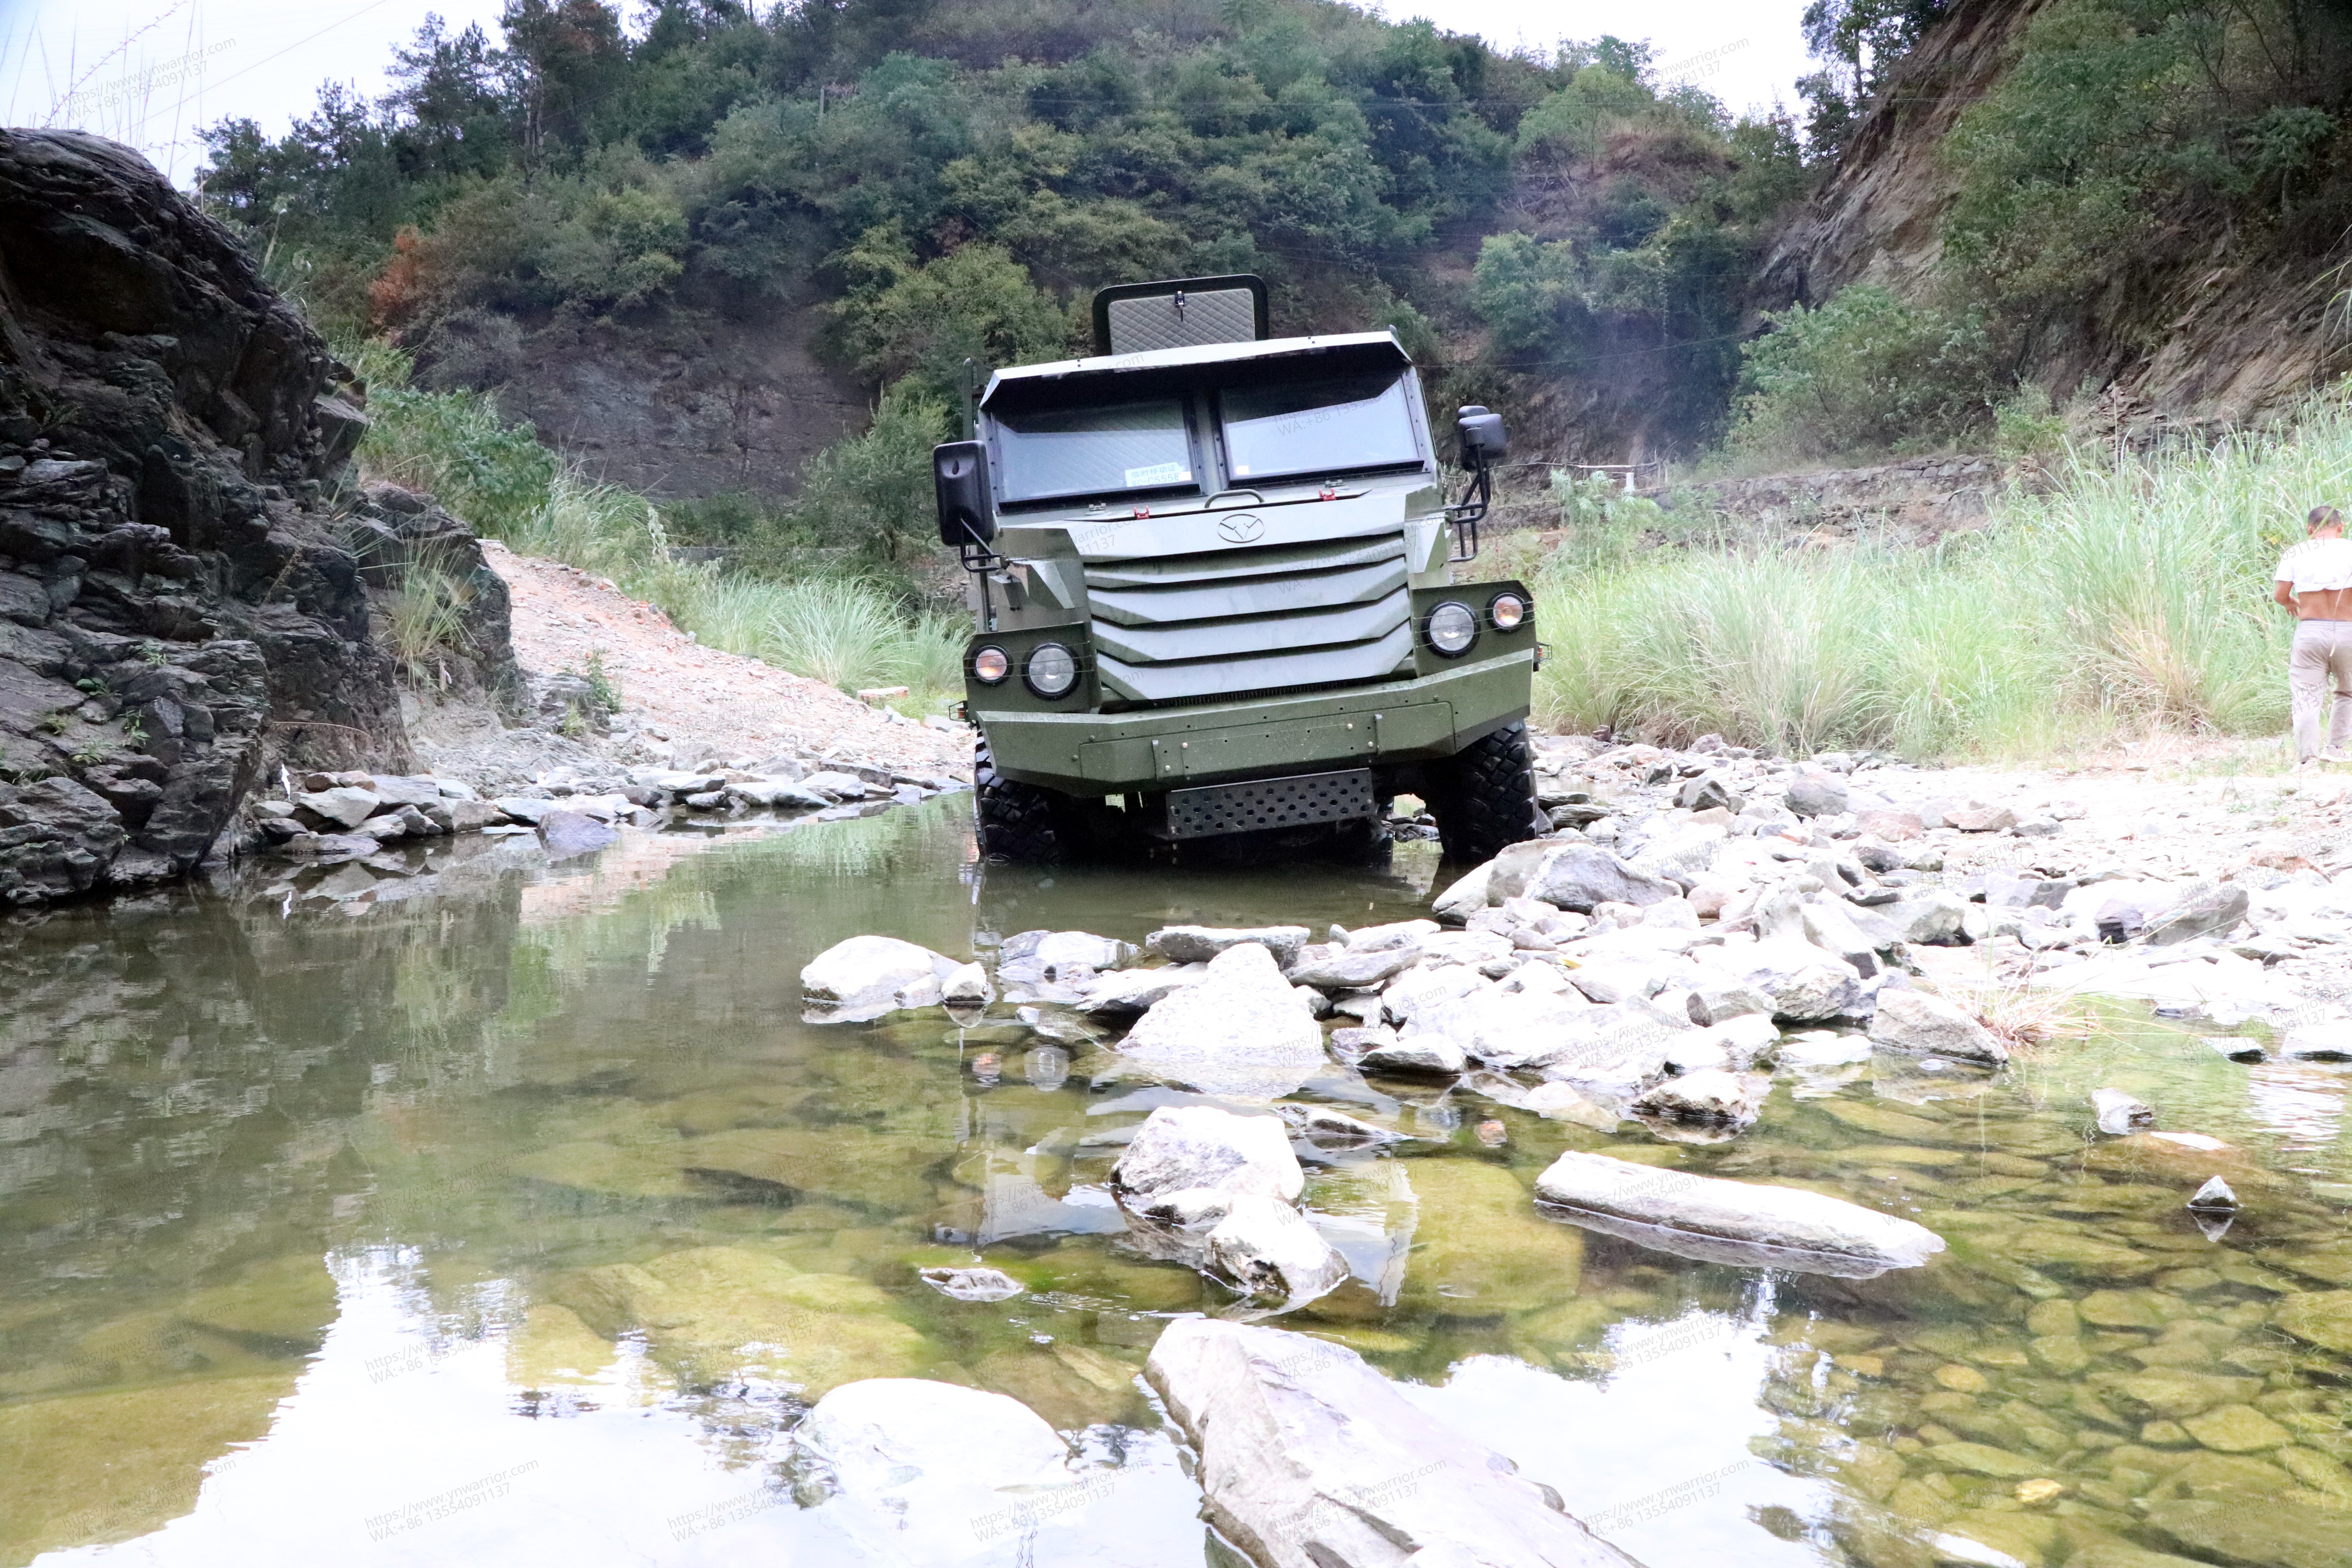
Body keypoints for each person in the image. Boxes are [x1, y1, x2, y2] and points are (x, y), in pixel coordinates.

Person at [2274, 504, 2352, 764]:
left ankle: (2308, 759)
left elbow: (2280, 595)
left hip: (2310, 632)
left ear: (2310, 530)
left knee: (2307, 696)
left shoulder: (2296, 552)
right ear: (2341, 528)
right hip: (2347, 631)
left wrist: (2290, 604)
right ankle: (2336, 749)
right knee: (2347, 692)